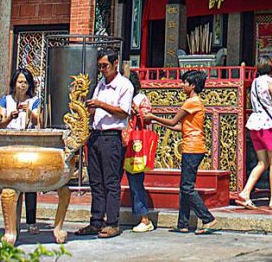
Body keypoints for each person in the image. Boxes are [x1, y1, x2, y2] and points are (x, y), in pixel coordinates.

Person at [145, 69, 216, 234]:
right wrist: (159, 123)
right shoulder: (196, 102)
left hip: (193, 147)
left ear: (193, 85)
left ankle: (207, 218)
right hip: (192, 146)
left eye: (185, 83)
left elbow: (173, 121)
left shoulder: (191, 102)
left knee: (187, 188)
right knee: (184, 187)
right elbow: (180, 127)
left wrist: (153, 117)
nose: (182, 85)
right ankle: (183, 223)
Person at [75, 51, 132, 239]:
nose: (102, 70)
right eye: (99, 66)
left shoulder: (124, 85)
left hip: (111, 136)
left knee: (111, 181)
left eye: (105, 66)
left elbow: (123, 112)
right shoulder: (100, 84)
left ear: (115, 64)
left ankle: (112, 222)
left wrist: (100, 104)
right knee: (96, 181)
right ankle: (96, 220)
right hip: (96, 135)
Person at [237, 57, 272, 210]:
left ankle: (245, 192)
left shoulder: (255, 82)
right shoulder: (271, 82)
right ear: (270, 67)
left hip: (255, 124)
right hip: (267, 125)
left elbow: (265, 100)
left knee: (262, 162)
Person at [0, 68, 42, 234]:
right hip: (10, 143)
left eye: (25, 82)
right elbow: (0, 122)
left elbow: (39, 121)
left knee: (30, 183)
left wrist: (29, 111)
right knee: (11, 184)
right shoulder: (6, 100)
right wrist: (11, 116)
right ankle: (11, 221)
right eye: (20, 82)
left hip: (27, 141)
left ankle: (31, 220)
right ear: (14, 83)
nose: (22, 85)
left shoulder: (34, 101)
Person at [125, 69, 154, 232]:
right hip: (120, 140)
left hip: (135, 143)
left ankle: (144, 218)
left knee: (136, 180)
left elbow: (147, 119)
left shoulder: (140, 99)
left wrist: (136, 110)